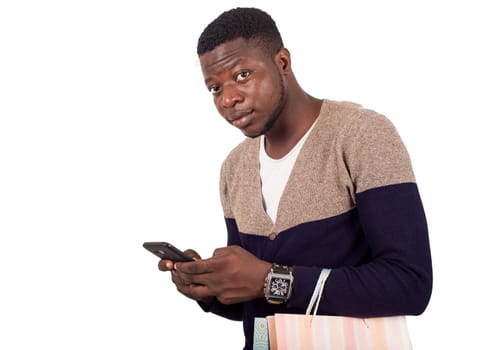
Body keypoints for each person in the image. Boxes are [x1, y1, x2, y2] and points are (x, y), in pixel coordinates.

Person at [157, 7, 432, 349]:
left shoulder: (361, 135)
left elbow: (409, 285)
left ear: (282, 63)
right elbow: (258, 300)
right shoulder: (234, 168)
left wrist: (271, 279)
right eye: (214, 88)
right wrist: (212, 288)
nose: (228, 98)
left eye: (242, 74)